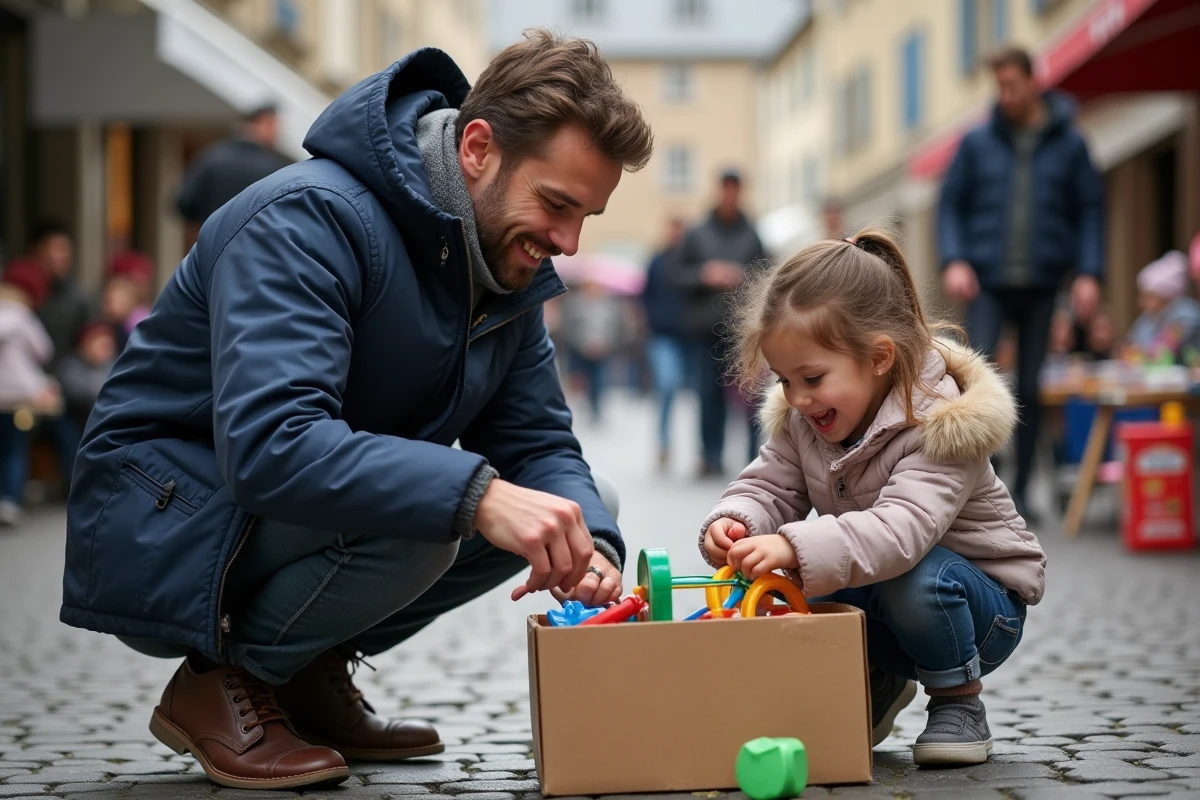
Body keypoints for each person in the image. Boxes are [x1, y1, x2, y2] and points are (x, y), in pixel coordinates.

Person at [61, 32, 652, 790]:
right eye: (557, 204)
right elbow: (274, 443)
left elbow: (537, 440)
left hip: (263, 515)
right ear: (477, 149)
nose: (567, 242)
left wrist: (593, 548)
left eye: (587, 219)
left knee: (578, 505)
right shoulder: (307, 218)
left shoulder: (504, 268)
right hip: (164, 524)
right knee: (438, 513)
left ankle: (304, 675)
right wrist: (475, 494)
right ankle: (216, 683)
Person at [698, 230, 1046, 767]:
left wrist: (793, 544)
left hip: (982, 612)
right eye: (785, 381)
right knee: (790, 585)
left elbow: (901, 531)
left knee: (913, 575)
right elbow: (769, 483)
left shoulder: (939, 425)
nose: (797, 398)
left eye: (811, 377)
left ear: (880, 357)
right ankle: (874, 681)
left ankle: (957, 701)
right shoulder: (804, 421)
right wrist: (738, 520)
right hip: (887, 593)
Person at [937, 46, 1104, 523]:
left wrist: (1089, 272)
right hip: (985, 281)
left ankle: (1024, 490)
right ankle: (976, 490)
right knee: (974, 382)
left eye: (1012, 85)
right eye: (999, 87)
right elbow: (950, 206)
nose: (1005, 96)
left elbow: (1090, 210)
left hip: (1042, 282)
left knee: (1030, 386)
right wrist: (955, 259)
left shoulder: (1070, 144)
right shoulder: (976, 144)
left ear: (1034, 81)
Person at [672, 169, 766, 476]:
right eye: (725, 189)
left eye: (735, 189)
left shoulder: (752, 234)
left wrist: (743, 277)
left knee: (748, 395)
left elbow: (766, 277)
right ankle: (710, 457)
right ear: (719, 190)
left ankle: (753, 456)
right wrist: (705, 273)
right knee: (707, 396)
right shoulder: (698, 233)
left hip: (740, 331)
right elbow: (676, 276)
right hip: (704, 330)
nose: (730, 195)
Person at [0, 262, 60, 526]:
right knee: (15, 449)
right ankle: (10, 500)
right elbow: (44, 350)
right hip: (20, 399)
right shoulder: (24, 318)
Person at [176, 104, 292, 227]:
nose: (278, 134)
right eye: (276, 126)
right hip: (255, 242)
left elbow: (184, 204)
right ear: (265, 122)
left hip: (214, 241)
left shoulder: (211, 157)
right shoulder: (273, 167)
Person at [640, 217, 688, 467]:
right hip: (663, 337)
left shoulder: (691, 263)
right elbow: (644, 296)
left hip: (691, 338)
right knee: (668, 386)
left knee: (704, 395)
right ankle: (664, 444)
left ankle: (704, 452)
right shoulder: (657, 261)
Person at [1125, 250, 1200, 362]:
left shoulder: (1186, 314)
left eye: (1148, 296)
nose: (1141, 302)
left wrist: (1140, 353)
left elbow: (1162, 351)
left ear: (1164, 296)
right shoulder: (1148, 317)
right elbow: (1130, 345)